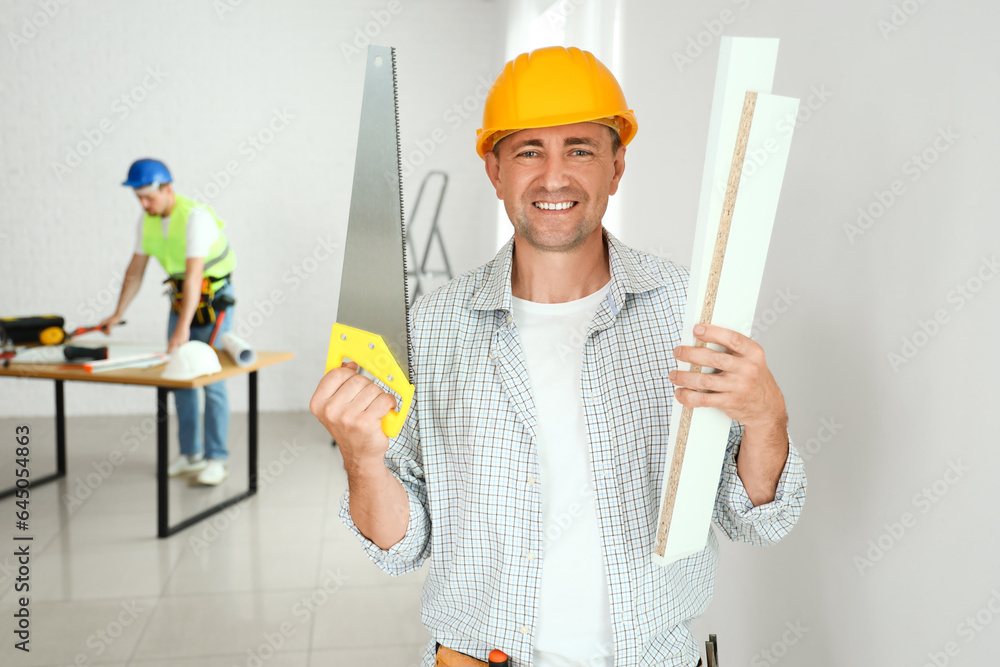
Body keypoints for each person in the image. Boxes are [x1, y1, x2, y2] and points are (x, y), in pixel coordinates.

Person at [310, 47, 806, 667]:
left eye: (579, 148)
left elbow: (756, 518)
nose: (553, 177)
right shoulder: (432, 328)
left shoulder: (689, 309)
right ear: (494, 170)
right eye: (528, 151)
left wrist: (768, 419)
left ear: (617, 165)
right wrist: (362, 458)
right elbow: (399, 546)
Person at [100, 158, 237, 486]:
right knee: (178, 376)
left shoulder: (195, 217)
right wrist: (118, 312)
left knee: (211, 376)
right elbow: (135, 271)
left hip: (213, 300)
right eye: (139, 198)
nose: (144, 204)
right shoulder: (147, 221)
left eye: (149, 197)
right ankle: (191, 455)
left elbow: (193, 278)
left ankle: (216, 458)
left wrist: (181, 330)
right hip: (182, 300)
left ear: (168, 188)